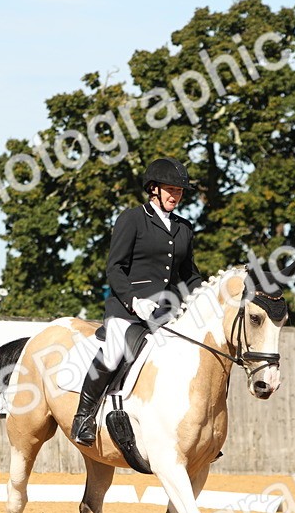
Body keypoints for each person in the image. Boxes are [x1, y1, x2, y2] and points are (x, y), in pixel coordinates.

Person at [70, 157, 204, 446]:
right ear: (154, 188)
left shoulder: (184, 228)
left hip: (167, 313)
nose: (176, 196)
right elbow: (114, 268)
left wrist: (207, 297)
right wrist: (133, 300)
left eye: (179, 191)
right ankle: (83, 417)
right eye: (171, 190)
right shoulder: (132, 219)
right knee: (114, 350)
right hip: (127, 310)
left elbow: (189, 275)